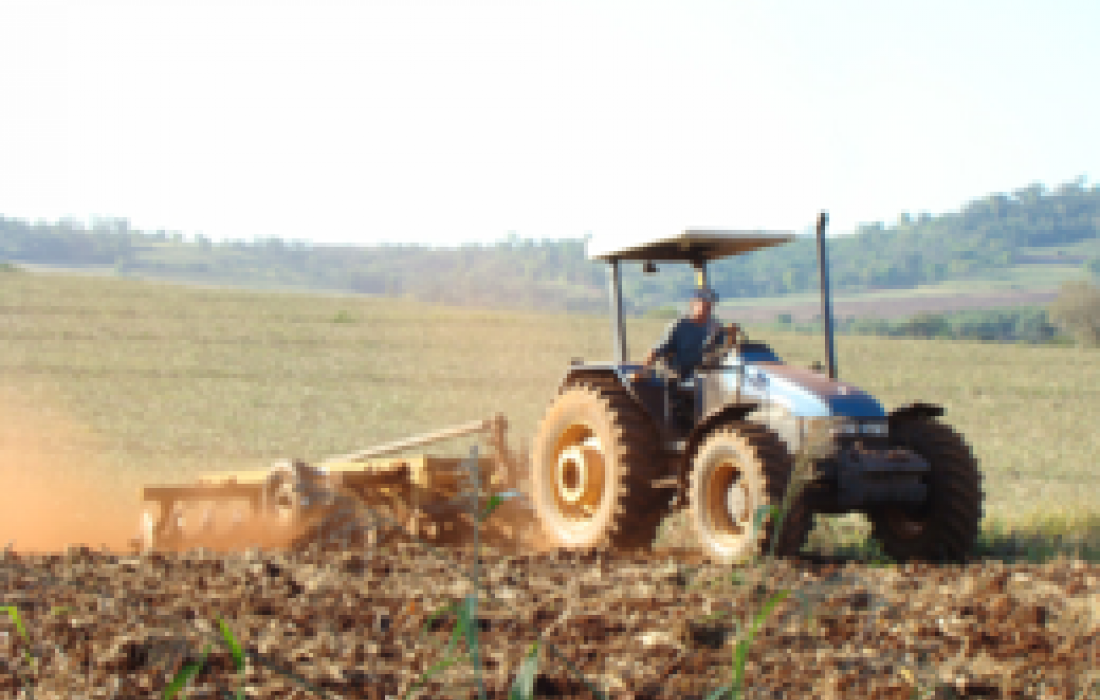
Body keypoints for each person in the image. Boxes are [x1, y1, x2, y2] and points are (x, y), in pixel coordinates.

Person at [634, 287, 736, 381]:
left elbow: (726, 350)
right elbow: (656, 349)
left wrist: (732, 335)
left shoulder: (715, 325)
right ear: (693, 304)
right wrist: (642, 370)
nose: (707, 308)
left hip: (705, 377)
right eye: (704, 304)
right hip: (677, 377)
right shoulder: (679, 325)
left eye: (710, 305)